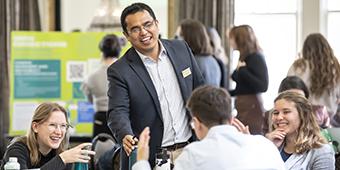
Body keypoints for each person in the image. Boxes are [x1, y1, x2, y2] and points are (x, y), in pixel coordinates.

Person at [107, 3, 205, 169]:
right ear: (127, 35)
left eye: (147, 24)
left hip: (189, 150)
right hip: (154, 156)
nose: (144, 32)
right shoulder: (119, 70)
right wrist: (126, 134)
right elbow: (118, 111)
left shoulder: (181, 49)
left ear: (157, 24)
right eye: (135, 29)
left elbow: (200, 90)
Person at [132, 85, 285, 170]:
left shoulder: (194, 155)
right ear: (231, 119)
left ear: (197, 123)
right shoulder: (264, 145)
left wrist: (141, 161)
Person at [0, 102, 95, 170]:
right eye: (52, 125)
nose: (59, 132)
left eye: (63, 126)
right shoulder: (17, 150)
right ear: (35, 127)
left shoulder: (63, 152)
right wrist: (61, 160)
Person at [266, 91, 335, 169]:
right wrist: (268, 147)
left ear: (303, 115)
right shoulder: (270, 145)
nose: (279, 117)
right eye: (276, 113)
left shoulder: (321, 151)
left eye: (286, 112)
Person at [287, 33, 340, 126]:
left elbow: (287, 93)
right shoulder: (335, 68)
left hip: (303, 121)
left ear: (305, 49)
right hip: (328, 122)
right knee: (329, 139)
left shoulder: (297, 67)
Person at [228, 25, 269, 135]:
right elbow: (242, 85)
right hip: (245, 106)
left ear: (239, 39)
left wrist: (242, 70)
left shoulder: (256, 57)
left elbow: (263, 86)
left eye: (232, 38)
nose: (230, 42)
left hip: (252, 108)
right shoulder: (245, 57)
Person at [81, 34, 122, 138]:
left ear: (102, 52)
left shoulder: (91, 76)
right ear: (119, 51)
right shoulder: (126, 73)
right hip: (121, 117)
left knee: (100, 151)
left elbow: (89, 99)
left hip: (100, 118)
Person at [178, 19, 222, 86]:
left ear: (190, 38)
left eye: (180, 36)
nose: (175, 40)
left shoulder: (194, 63)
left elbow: (182, 83)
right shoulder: (213, 60)